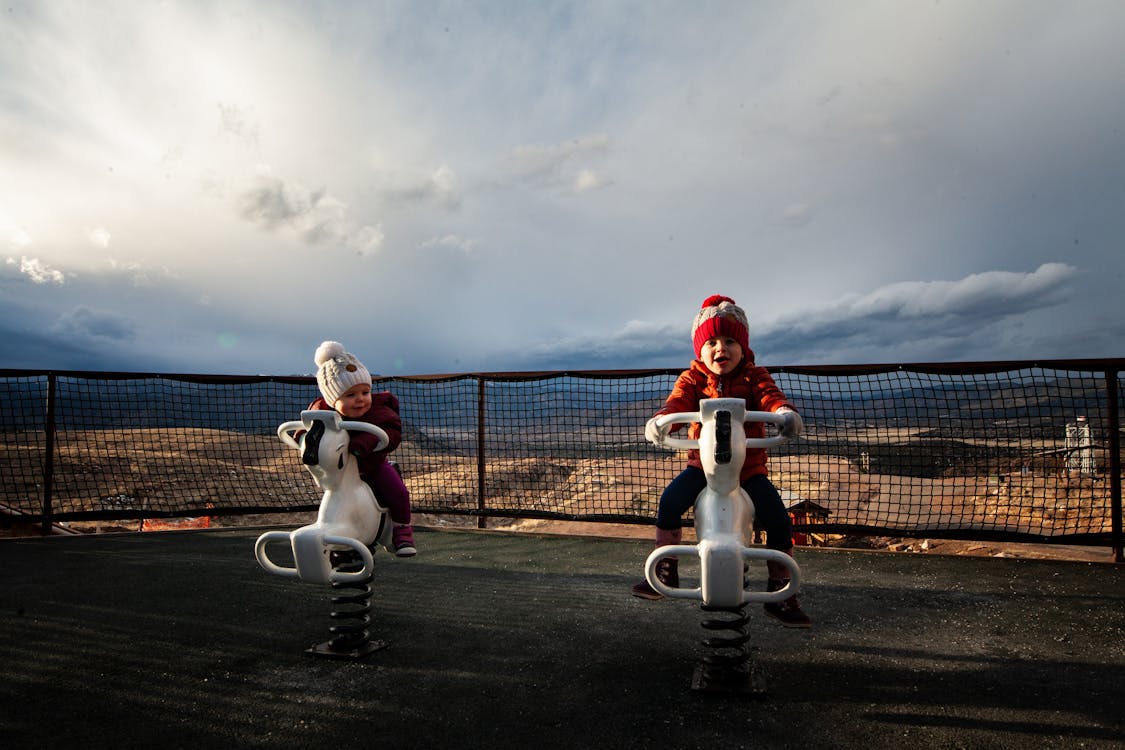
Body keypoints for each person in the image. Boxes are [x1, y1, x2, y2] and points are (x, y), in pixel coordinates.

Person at [631, 295, 810, 628]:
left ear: (742, 347)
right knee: (670, 502)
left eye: (730, 341)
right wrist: (662, 419)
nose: (720, 349)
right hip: (704, 467)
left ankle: (781, 588)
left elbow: (771, 396)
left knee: (778, 518)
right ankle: (667, 570)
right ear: (700, 350)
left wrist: (783, 413)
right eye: (711, 342)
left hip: (749, 470)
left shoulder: (755, 376)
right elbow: (677, 402)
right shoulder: (693, 378)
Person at [309, 340, 416, 557]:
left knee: (399, 493)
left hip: (373, 465)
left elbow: (392, 433)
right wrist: (304, 438)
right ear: (332, 401)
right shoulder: (323, 414)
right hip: (341, 474)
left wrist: (365, 443)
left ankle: (402, 529)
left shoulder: (379, 411)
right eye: (350, 395)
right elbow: (310, 429)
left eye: (365, 392)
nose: (360, 400)